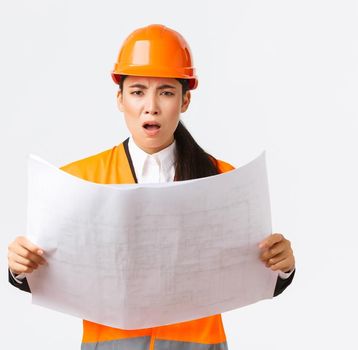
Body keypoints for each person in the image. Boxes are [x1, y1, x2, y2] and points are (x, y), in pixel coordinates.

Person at [6, 24, 295, 349]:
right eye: (138, 91)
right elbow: (46, 275)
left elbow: (256, 276)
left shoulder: (223, 180)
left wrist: (282, 267)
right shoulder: (79, 181)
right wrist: (20, 268)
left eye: (167, 92)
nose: (151, 106)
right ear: (120, 98)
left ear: (185, 101)